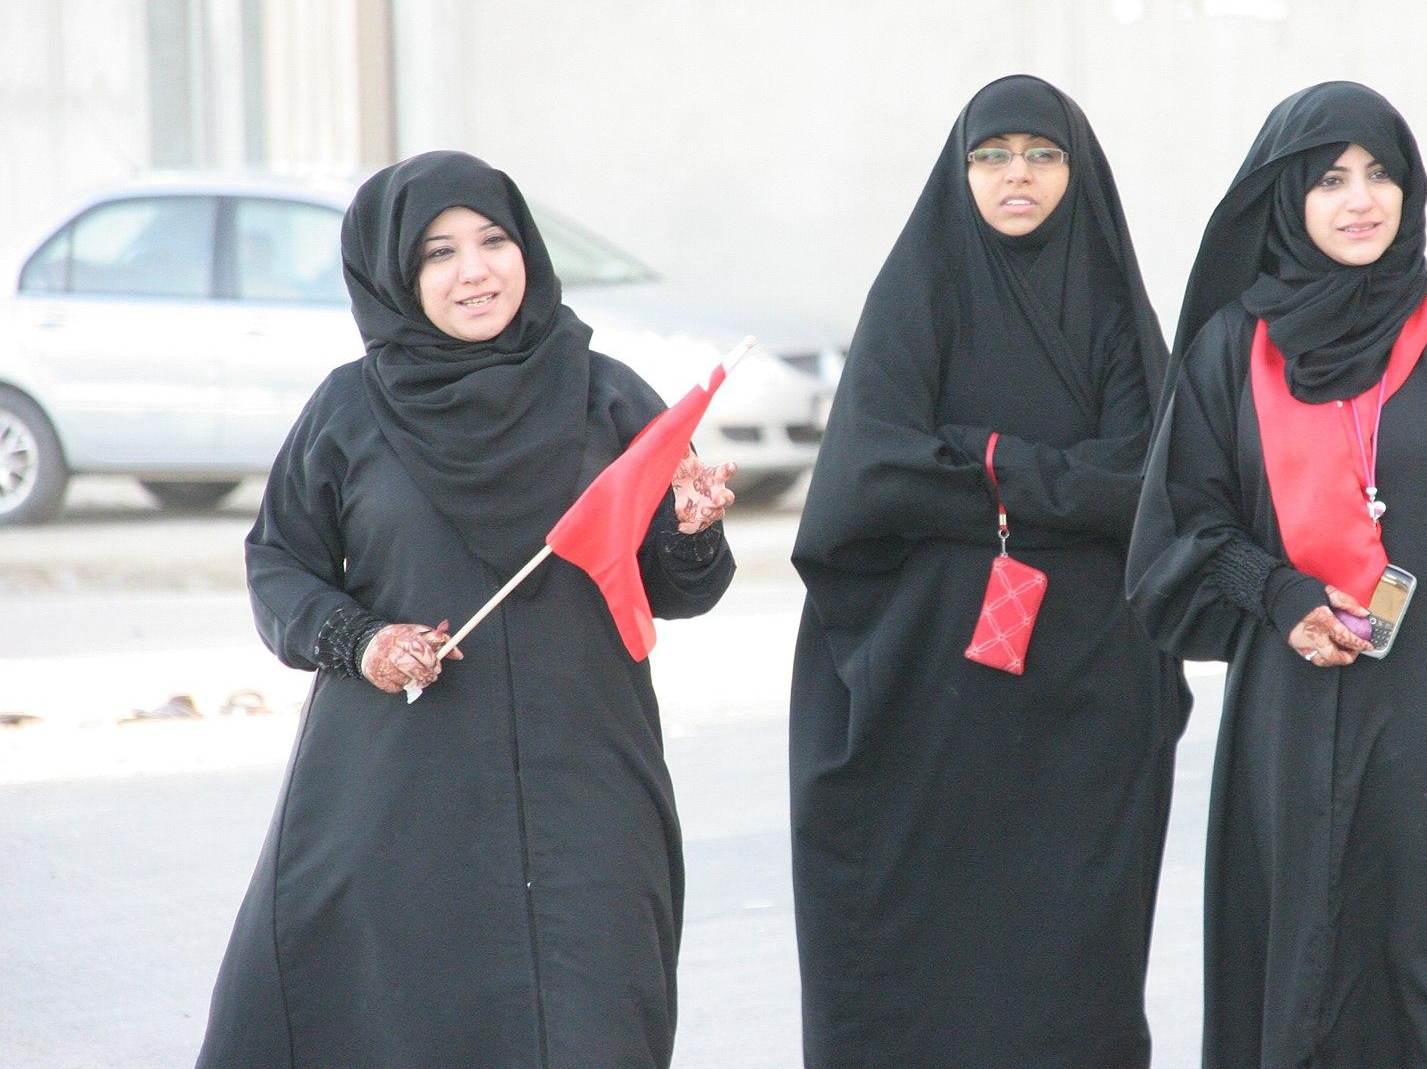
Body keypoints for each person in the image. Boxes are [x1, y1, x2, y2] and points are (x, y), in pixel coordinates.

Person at [197, 151, 737, 1069]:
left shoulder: (606, 395)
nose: (475, 270)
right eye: (438, 253)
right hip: (397, 796)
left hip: (586, 789)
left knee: (592, 1025)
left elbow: (678, 588)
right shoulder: (349, 411)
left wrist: (690, 530)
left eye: (494, 240)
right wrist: (361, 641)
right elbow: (279, 566)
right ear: (396, 276)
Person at [1126, 81, 1427, 1068]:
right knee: (1298, 966)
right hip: (1289, 713)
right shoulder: (1231, 350)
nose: (1361, 198)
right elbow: (1185, 524)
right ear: (1287, 197)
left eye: (1381, 172)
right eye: (1331, 177)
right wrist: (1280, 592)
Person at [789, 75, 1191, 1067]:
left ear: (1076, 169)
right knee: (921, 948)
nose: (1019, 174)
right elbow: (873, 475)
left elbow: (1147, 481)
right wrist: (1060, 479)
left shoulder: (1108, 303)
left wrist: (982, 457)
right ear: (960, 169)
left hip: (1088, 691)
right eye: (994, 154)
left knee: (1073, 960)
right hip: (930, 681)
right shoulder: (919, 293)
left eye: (1043, 154)